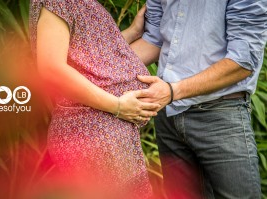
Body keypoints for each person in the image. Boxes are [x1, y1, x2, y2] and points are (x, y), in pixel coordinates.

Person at [126, 0, 267, 198]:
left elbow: (243, 61)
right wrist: (93, 69)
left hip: (220, 114)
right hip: (168, 114)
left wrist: (173, 91)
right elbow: (154, 41)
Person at [29, 0, 159, 198]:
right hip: (91, 134)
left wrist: (133, 31)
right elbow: (51, 69)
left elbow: (95, 58)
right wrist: (118, 106)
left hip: (102, 134)